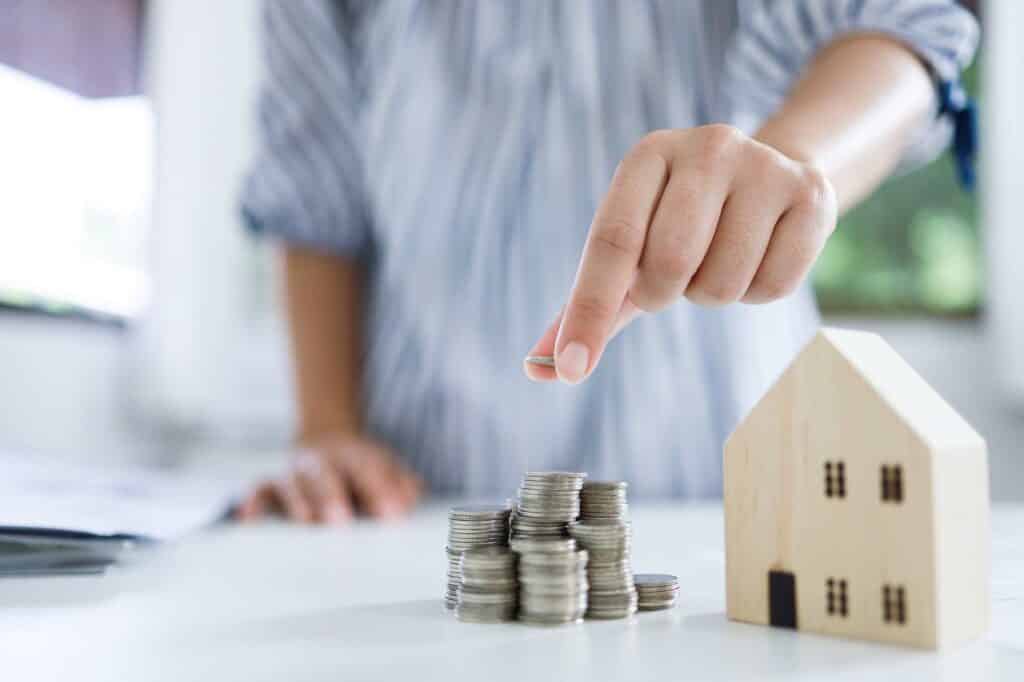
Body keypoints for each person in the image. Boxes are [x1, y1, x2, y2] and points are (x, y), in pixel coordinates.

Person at [236, 0, 978, 524]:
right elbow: (316, 191)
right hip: (414, 494)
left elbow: (893, 29)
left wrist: (792, 167)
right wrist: (327, 427)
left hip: (729, 478)